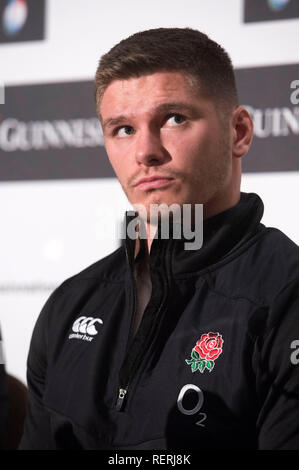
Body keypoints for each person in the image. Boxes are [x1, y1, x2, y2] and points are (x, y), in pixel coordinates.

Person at [19, 27, 299, 450]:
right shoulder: (68, 305)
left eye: (174, 119)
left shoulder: (287, 296)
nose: (145, 151)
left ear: (239, 132)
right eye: (123, 129)